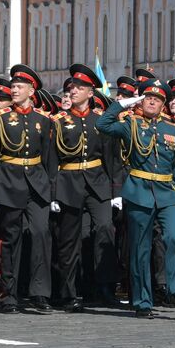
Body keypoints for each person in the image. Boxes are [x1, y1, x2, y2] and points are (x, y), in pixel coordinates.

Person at [97, 79, 175, 318]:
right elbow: (102, 124)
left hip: (167, 192)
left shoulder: (172, 129)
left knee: (173, 237)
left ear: (163, 105)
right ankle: (142, 301)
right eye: (148, 97)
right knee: (140, 248)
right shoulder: (130, 125)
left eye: (157, 99)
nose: (152, 101)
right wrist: (124, 104)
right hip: (139, 191)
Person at [0, 64, 58, 313]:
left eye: (19, 86)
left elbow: (50, 159)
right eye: (13, 86)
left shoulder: (43, 120)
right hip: (9, 182)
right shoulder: (0, 118)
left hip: (37, 184)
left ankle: (39, 293)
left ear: (32, 90)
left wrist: (52, 191)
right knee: (10, 240)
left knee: (40, 234)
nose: (14, 90)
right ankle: (8, 294)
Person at [51, 64, 119, 311]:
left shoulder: (101, 121)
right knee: (71, 239)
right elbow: (52, 158)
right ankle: (70, 292)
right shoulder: (59, 121)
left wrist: (116, 191)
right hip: (69, 183)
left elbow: (111, 157)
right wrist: (53, 192)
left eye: (80, 87)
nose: (74, 91)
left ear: (91, 92)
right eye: (72, 87)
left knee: (104, 230)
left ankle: (105, 288)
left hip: (98, 181)